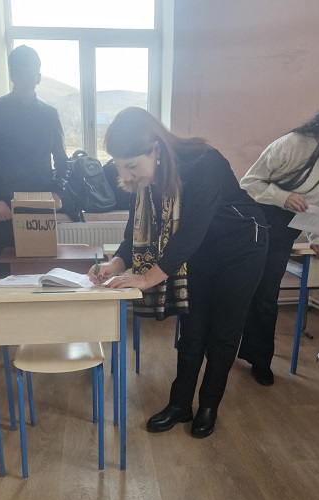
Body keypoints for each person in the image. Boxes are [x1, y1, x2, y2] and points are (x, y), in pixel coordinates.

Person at [88, 107, 268, 438]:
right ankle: (180, 404)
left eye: (131, 166)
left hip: (241, 248)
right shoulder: (148, 180)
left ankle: (209, 405)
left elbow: (189, 235)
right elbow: (133, 234)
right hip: (198, 253)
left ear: (155, 149)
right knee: (192, 333)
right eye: (119, 167)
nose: (126, 176)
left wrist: (146, 279)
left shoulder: (205, 163)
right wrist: (116, 263)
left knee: (223, 335)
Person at [238, 87, 319, 386]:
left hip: (287, 225)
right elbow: (248, 183)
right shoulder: (293, 144)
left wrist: (318, 238)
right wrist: (283, 197)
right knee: (243, 290)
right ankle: (223, 349)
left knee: (267, 295)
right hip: (257, 220)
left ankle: (260, 360)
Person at [0, 45, 68, 277]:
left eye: (29, 73)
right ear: (12, 75)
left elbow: (62, 160)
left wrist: (57, 191)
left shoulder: (49, 114)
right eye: (18, 72)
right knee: (4, 271)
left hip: (41, 204)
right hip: (5, 206)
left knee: (42, 270)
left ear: (38, 76)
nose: (24, 78)